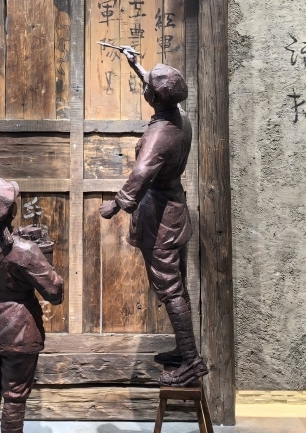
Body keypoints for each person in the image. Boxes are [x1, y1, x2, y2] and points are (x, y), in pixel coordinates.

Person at [99, 54, 208, 387]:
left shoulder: (160, 133)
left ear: (154, 97)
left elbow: (142, 173)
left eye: (148, 87)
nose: (145, 88)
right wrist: (137, 66)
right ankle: (184, 349)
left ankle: (191, 362)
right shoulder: (180, 115)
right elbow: (159, 89)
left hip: (160, 216)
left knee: (169, 287)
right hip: (174, 207)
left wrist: (117, 204)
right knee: (176, 284)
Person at [0, 179, 64, 433]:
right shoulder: (24, 251)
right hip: (19, 327)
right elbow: (54, 293)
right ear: (12, 211)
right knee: (14, 396)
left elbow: (4, 244)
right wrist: (44, 260)